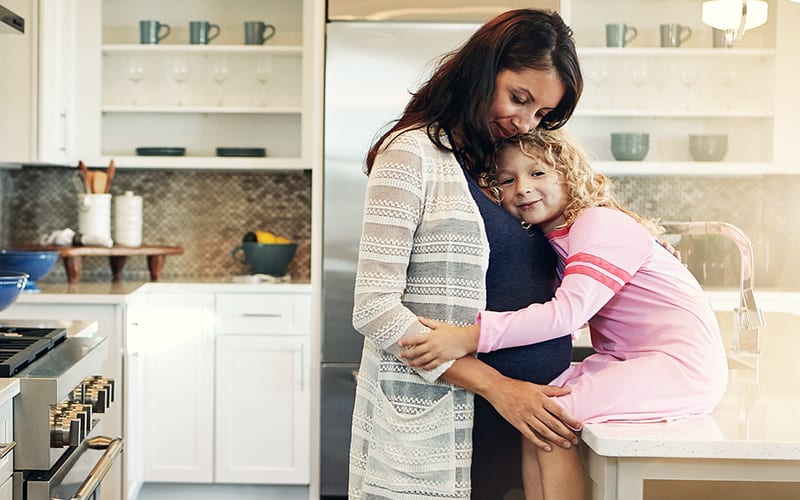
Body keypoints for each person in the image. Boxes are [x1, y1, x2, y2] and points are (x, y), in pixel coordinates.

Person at [398, 128, 729, 500]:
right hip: (626, 360)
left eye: (537, 173)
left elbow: (568, 313)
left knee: (551, 417)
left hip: (680, 367)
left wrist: (468, 337)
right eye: (508, 179)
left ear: (569, 175)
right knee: (537, 420)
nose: (522, 187)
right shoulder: (559, 241)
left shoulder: (598, 223)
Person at [349, 8, 585, 500]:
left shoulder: (500, 163)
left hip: (523, 424)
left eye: (541, 113)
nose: (524, 120)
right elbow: (374, 308)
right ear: (484, 70)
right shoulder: (411, 155)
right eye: (519, 98)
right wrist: (500, 387)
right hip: (457, 411)